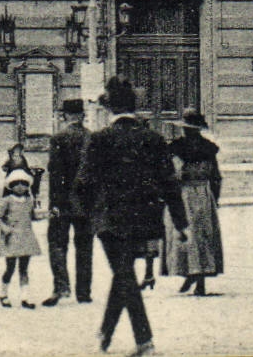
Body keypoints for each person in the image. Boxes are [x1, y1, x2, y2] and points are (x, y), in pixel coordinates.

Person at [76, 76, 189, 356]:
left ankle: (144, 340)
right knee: (124, 274)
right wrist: (180, 221)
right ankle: (105, 333)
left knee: (123, 273)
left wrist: (89, 214)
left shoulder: (100, 139)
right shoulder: (152, 138)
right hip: (145, 217)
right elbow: (169, 182)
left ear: (109, 109)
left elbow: (83, 183)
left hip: (110, 219)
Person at [164, 109, 223, 297]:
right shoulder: (209, 148)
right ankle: (199, 277)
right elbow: (216, 176)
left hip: (184, 194)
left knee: (185, 235)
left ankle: (193, 274)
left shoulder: (176, 149)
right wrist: (215, 197)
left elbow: (175, 174)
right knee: (203, 235)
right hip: (204, 194)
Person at [44, 98, 93, 306]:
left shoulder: (59, 138)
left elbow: (55, 173)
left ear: (65, 116)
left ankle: (61, 287)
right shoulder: (92, 137)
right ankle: (84, 292)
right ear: (83, 115)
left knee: (57, 243)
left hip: (63, 201)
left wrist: (53, 203)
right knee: (84, 245)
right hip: (86, 201)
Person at [0, 168, 43, 308]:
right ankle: (3, 294)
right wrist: (5, 228)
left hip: (26, 237)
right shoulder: (6, 201)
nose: (20, 186)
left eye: (23, 183)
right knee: (10, 268)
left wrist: (47, 215)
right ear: (11, 186)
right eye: (16, 183)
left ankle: (25, 297)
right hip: (11, 237)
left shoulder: (29, 200)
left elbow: (33, 216)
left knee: (24, 268)